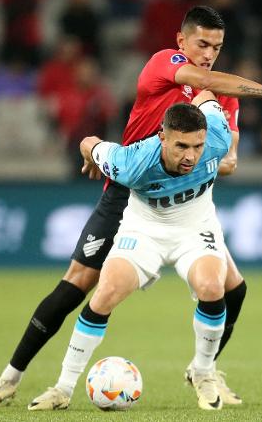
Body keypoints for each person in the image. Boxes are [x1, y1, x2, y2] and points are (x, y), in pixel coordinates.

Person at [0, 6, 262, 409]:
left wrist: (218, 158)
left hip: (186, 201)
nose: (209, 53)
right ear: (182, 41)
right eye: (202, 43)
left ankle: (205, 369)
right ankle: (10, 377)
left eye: (217, 46)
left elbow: (229, 157)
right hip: (128, 191)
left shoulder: (223, 95)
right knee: (76, 286)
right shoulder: (166, 64)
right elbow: (202, 81)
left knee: (232, 289)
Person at [31, 90, 235, 411]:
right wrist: (88, 156)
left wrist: (232, 147)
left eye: (197, 146)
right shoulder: (132, 161)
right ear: (162, 137)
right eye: (181, 146)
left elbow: (207, 93)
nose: (191, 156)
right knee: (105, 292)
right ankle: (63, 388)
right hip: (144, 231)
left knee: (212, 286)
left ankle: (203, 371)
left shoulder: (216, 137)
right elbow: (89, 142)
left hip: (195, 227)